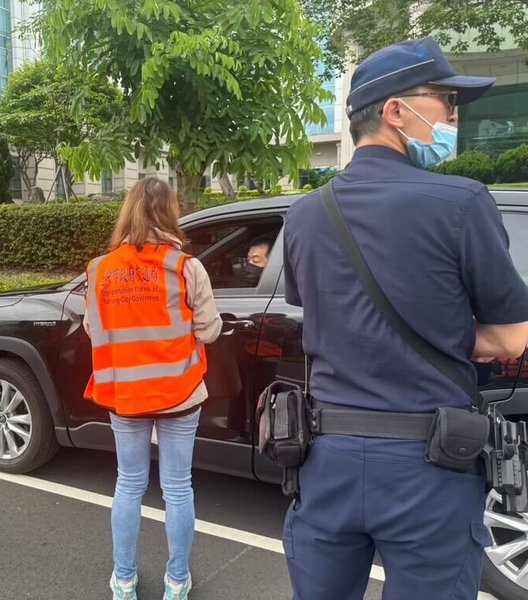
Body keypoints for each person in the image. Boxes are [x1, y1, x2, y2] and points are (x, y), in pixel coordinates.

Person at [282, 37, 528, 599]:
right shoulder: (461, 202)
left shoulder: (304, 215)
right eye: (444, 101)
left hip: (325, 459)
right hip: (429, 464)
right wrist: (453, 335)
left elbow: (324, 312)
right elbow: (513, 337)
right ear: (396, 110)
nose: (452, 116)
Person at [83, 178, 221, 600]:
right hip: (180, 393)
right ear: (169, 213)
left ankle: (124, 580)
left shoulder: (99, 269)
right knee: (178, 487)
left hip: (124, 395)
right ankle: (176, 581)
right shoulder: (185, 267)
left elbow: (93, 328)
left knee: (128, 484)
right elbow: (210, 331)